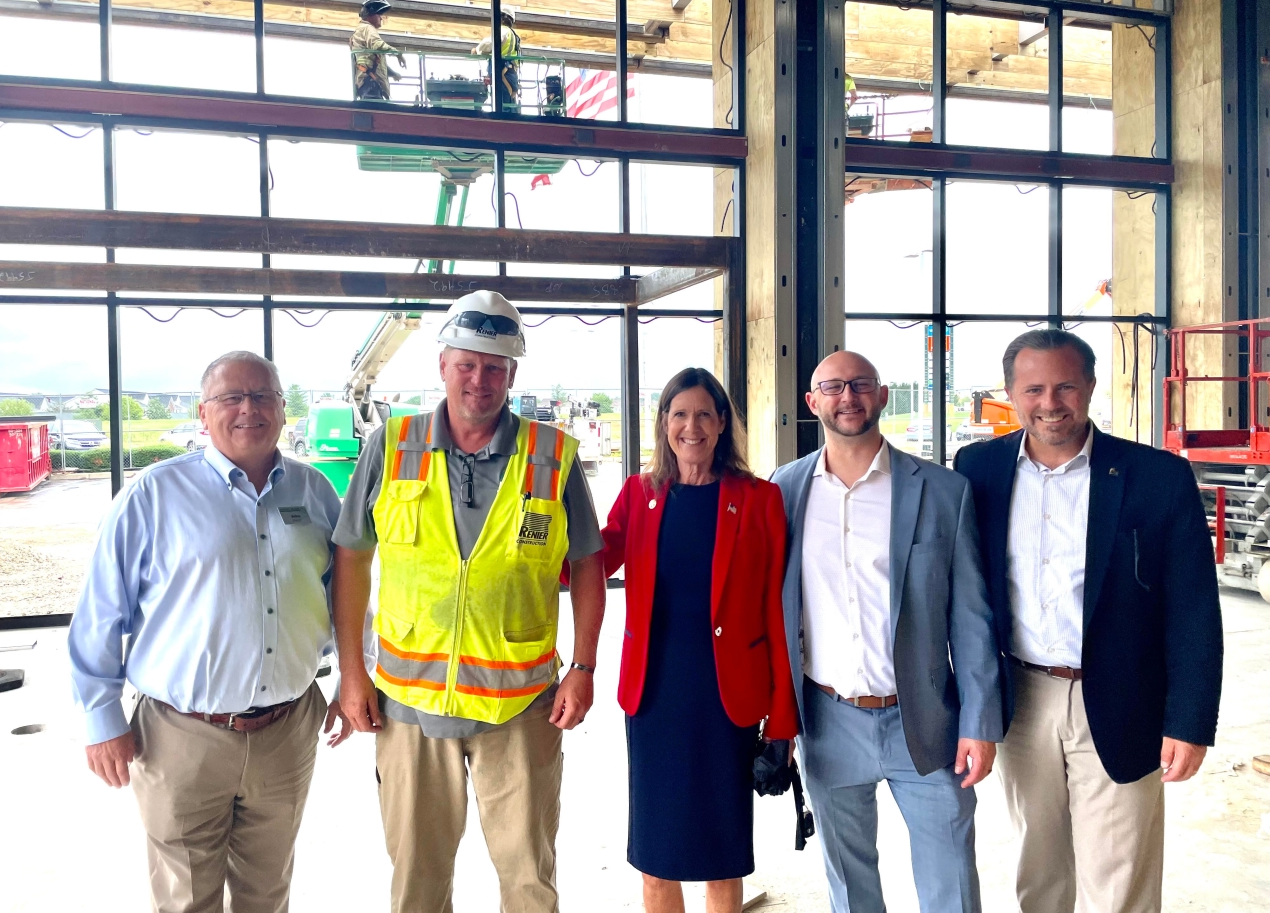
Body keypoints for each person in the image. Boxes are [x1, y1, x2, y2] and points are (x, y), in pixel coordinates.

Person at [332, 290, 607, 913]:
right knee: (417, 882)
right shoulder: (391, 444)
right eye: (467, 364)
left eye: (494, 367)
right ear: (442, 366)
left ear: (513, 374)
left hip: (521, 710)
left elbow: (588, 565)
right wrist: (352, 673)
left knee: (530, 879)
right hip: (409, 708)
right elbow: (350, 556)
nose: (479, 380)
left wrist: (584, 667)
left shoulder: (552, 455)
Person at [69, 350, 355, 913]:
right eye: (231, 397)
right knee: (185, 899)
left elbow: (344, 597)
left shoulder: (314, 489)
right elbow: (102, 612)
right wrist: (99, 717)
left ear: (281, 408)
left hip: (288, 728)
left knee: (267, 892)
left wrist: (353, 676)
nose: (248, 408)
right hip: (182, 736)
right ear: (204, 413)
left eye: (263, 396)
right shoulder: (154, 495)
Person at [954, 329, 1223, 913]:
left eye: (1065, 386)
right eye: (1034, 389)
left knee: (1119, 875)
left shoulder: (1157, 478)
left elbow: (1194, 609)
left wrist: (1191, 719)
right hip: (1022, 698)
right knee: (1038, 866)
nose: (1050, 402)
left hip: (1124, 694)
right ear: (1010, 393)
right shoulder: (978, 470)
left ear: (1091, 387)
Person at [770, 350, 1002, 913]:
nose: (846, 397)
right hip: (828, 719)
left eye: (859, 385)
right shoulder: (784, 490)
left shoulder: (943, 491)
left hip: (924, 720)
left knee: (951, 879)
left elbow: (970, 618)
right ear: (812, 402)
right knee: (850, 886)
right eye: (832, 387)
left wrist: (979, 721)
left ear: (881, 395)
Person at [599, 367, 798, 913]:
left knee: (720, 855)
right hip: (655, 696)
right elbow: (586, 566)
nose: (692, 426)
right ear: (664, 423)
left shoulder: (759, 500)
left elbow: (777, 614)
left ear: (722, 423)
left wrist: (782, 718)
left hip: (725, 702)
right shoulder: (640, 495)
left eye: (704, 414)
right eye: (680, 414)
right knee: (656, 858)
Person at [352, 0, 406, 100]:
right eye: (379, 14)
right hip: (371, 85)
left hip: (369, 84)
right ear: (371, 14)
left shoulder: (362, 30)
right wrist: (397, 53)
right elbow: (377, 44)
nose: (381, 18)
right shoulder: (368, 28)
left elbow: (373, 63)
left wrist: (392, 73)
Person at [474, 5, 523, 109]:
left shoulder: (503, 30)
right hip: (510, 75)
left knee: (502, 109)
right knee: (508, 108)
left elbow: (490, 42)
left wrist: (478, 50)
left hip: (503, 74)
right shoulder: (514, 36)